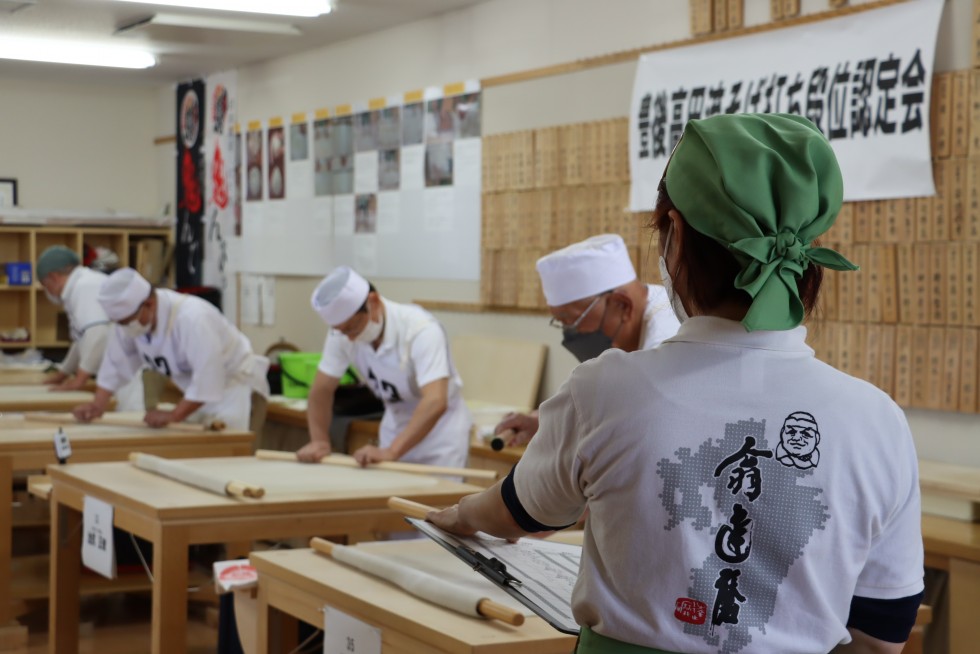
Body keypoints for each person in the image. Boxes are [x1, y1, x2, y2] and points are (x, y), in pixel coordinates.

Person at [429, 113, 923, 653]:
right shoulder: (877, 420)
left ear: (677, 236)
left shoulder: (606, 388)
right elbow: (882, 630)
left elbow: (519, 511)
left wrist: (457, 515)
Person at [495, 233, 681, 445]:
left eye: (572, 320)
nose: (570, 333)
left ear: (622, 305)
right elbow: (603, 395)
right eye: (561, 323)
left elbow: (628, 424)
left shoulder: (666, 344)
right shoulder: (630, 324)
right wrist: (542, 421)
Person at [298, 266, 470, 468]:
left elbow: (435, 401)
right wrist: (319, 441)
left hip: (439, 439)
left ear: (374, 302)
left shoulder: (421, 330)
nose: (350, 338)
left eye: (353, 328)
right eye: (342, 331)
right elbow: (321, 389)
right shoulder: (342, 333)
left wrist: (392, 451)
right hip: (395, 429)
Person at [72, 268, 269, 432]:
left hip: (235, 389)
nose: (123, 328)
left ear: (148, 304)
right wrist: (98, 404)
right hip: (196, 394)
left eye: (126, 322)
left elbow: (208, 376)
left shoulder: (193, 318)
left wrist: (175, 414)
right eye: (119, 323)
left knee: (229, 459)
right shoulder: (131, 323)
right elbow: (115, 364)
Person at [36, 246, 144, 410]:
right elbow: (81, 340)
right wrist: (63, 373)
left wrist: (79, 380)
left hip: (129, 369)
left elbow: (97, 334)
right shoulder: (79, 287)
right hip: (117, 369)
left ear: (54, 277)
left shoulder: (84, 286)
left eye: (45, 284)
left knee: (132, 418)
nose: (47, 291)